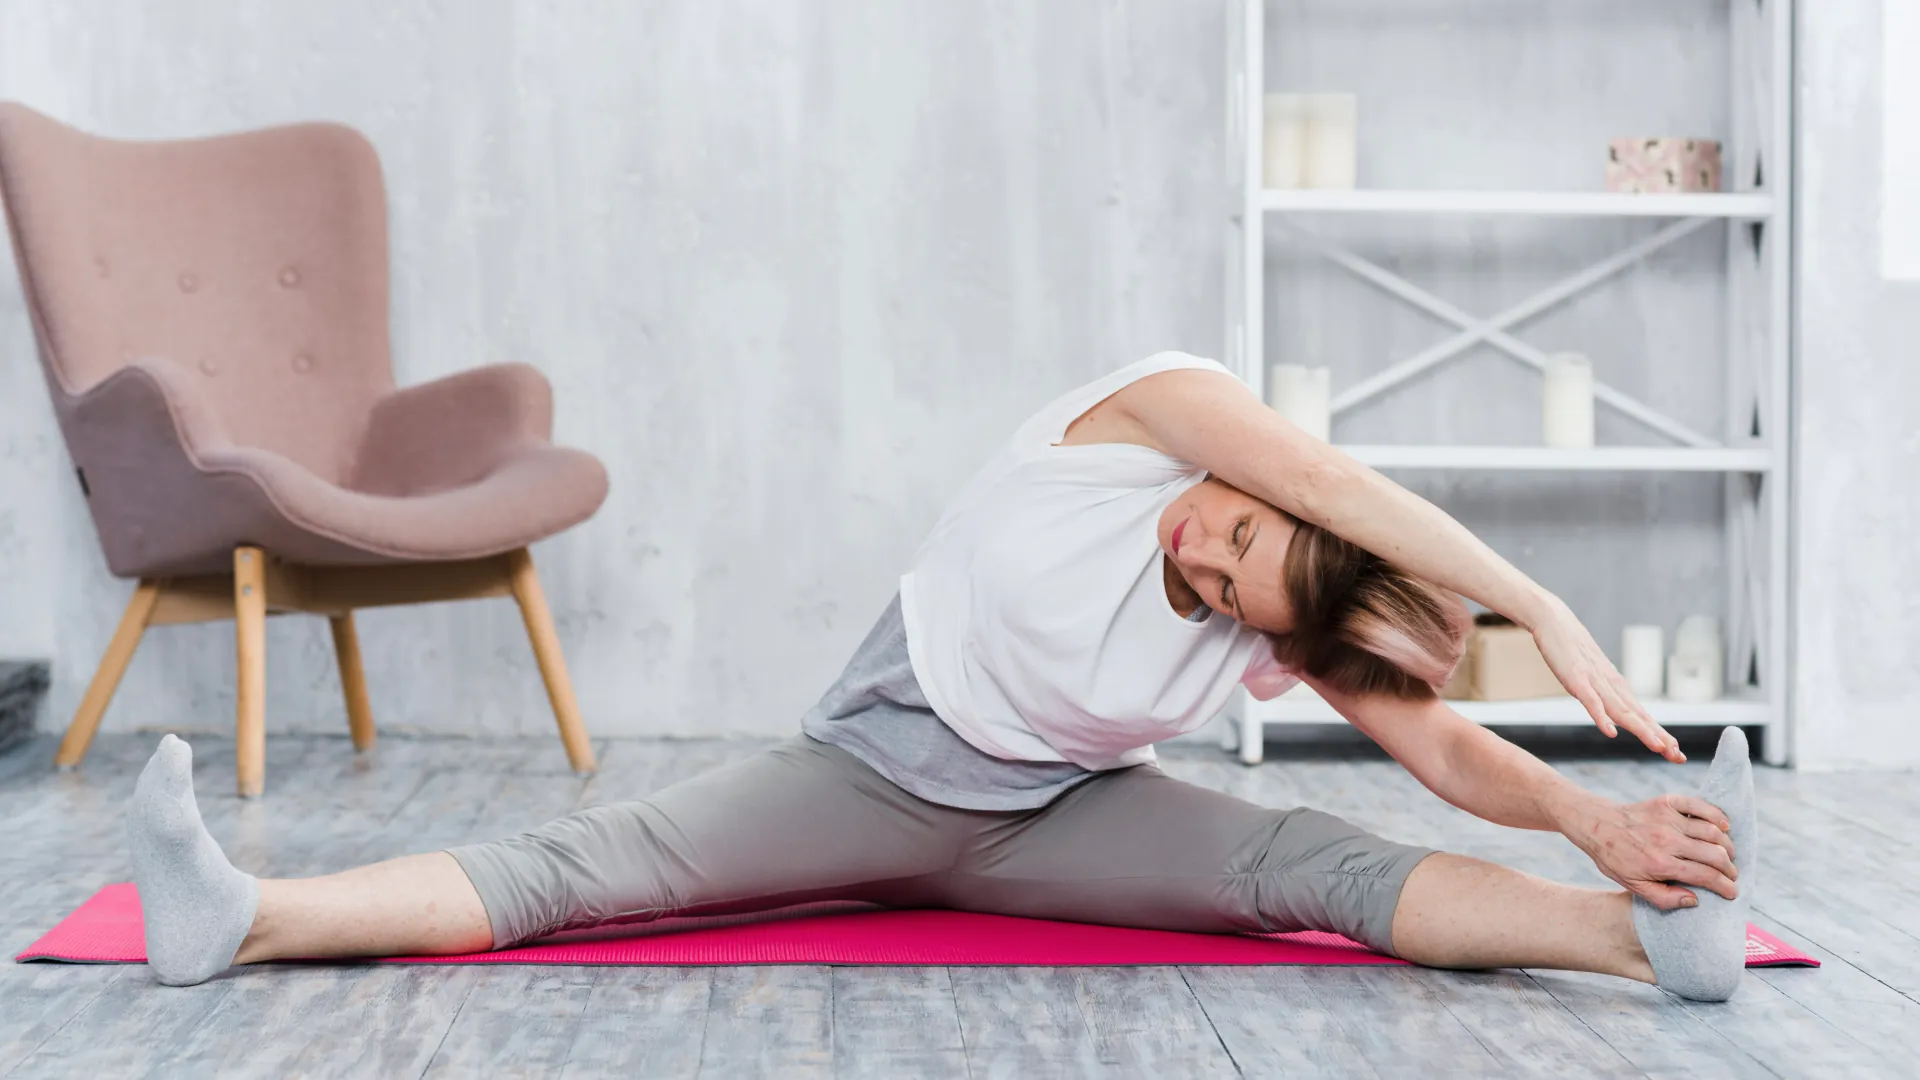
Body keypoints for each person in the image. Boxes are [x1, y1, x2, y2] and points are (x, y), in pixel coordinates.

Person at [126, 352, 1757, 1000]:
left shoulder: (1282, 613)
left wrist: (1592, 826)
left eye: (1244, 562)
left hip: (1060, 816)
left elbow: (1445, 752)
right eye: (1242, 516)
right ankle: (250, 913)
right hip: (867, 773)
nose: (1215, 533)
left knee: (1321, 870)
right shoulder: (1145, 419)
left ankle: (1637, 943)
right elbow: (1323, 488)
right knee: (582, 868)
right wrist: (1537, 596)